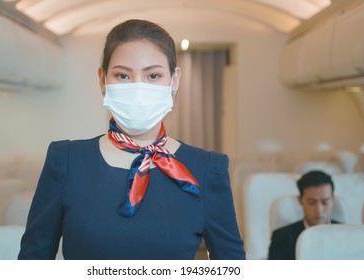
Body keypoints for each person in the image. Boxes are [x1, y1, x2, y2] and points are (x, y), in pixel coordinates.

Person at [18, 19, 245, 260]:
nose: (138, 90)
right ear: (102, 80)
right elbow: (33, 261)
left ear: (174, 80)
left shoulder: (207, 169)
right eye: (123, 76)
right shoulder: (65, 161)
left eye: (153, 75)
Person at [268, 170, 339, 260]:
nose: (319, 210)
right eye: (311, 202)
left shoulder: (346, 234)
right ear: (300, 200)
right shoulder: (282, 238)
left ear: (333, 199)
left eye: (325, 202)